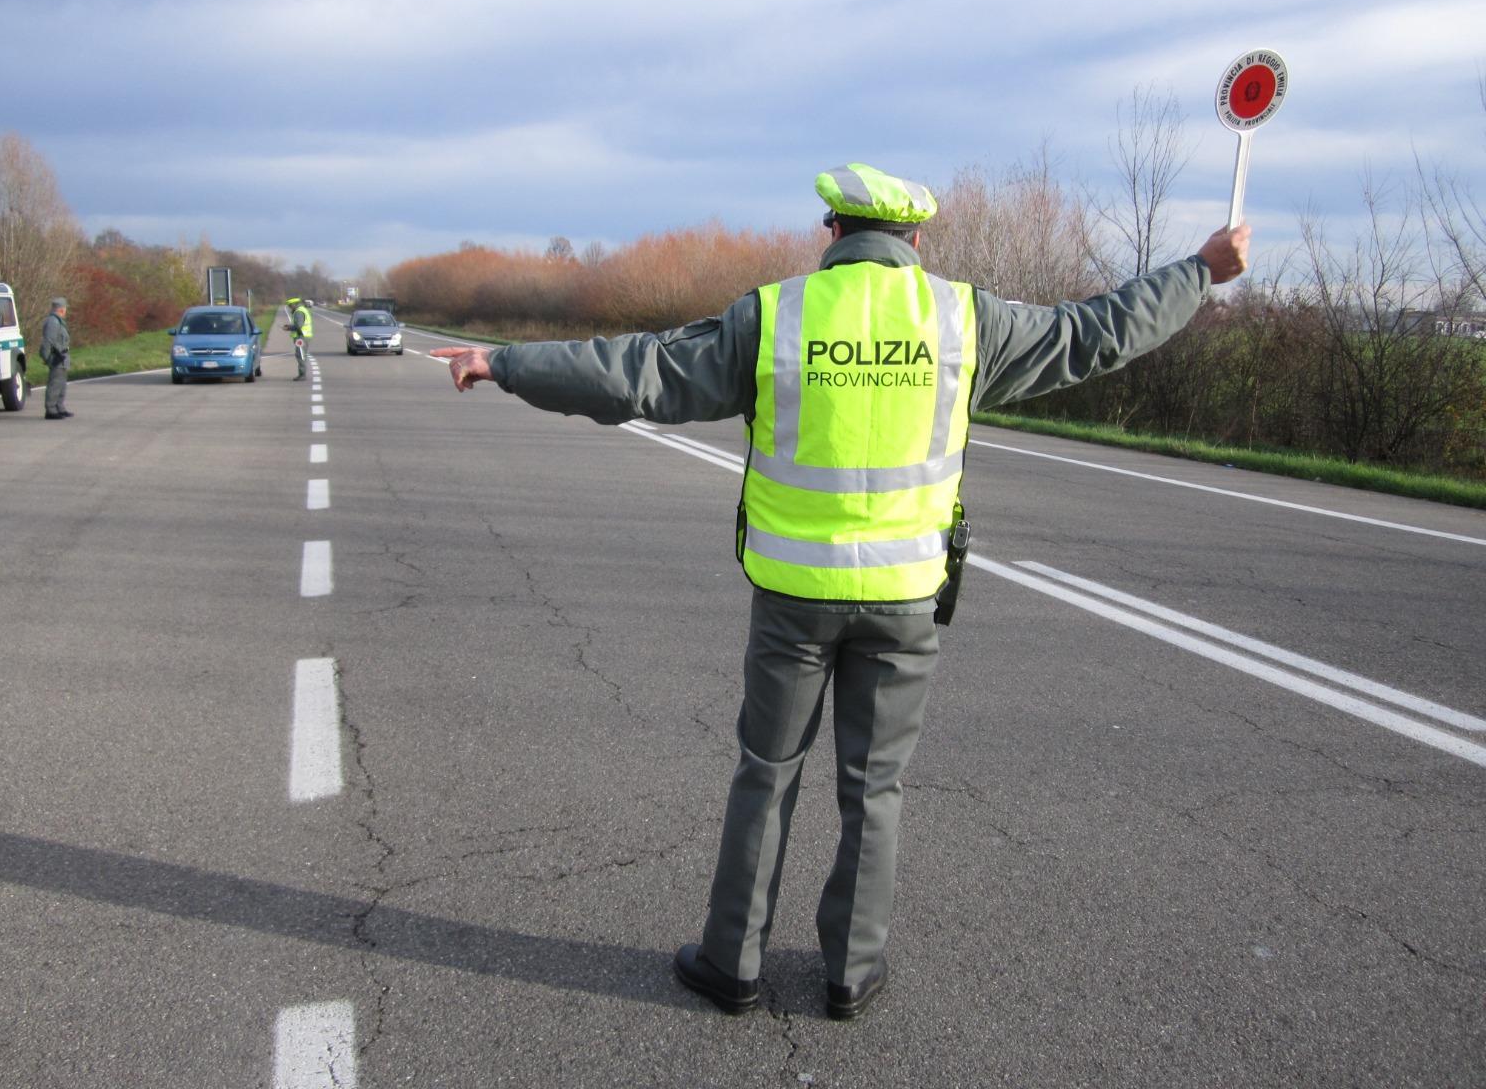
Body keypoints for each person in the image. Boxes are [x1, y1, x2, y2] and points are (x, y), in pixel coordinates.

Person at [432, 163, 1250, 1021]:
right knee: (874, 789)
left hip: (793, 602)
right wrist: (1198, 271)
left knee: (766, 775)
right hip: (905, 602)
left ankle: (731, 963)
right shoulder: (965, 319)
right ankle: (850, 975)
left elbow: (636, 371)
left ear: (831, 232)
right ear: (916, 241)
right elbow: (1097, 333)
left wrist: (505, 362)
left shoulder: (776, 316)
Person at [38, 297, 71, 420]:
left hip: (62, 356)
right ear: (62, 310)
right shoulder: (53, 322)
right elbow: (48, 341)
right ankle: (51, 409)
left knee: (61, 384)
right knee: (55, 384)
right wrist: (47, 358)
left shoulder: (58, 321)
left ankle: (59, 407)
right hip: (57, 357)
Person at [285, 297, 314, 380]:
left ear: (294, 304)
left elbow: (299, 326)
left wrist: (288, 327)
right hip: (303, 336)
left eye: (290, 305)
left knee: (300, 355)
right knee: (301, 355)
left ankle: (302, 374)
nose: (290, 307)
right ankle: (302, 374)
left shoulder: (298, 312)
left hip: (301, 336)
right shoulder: (302, 310)